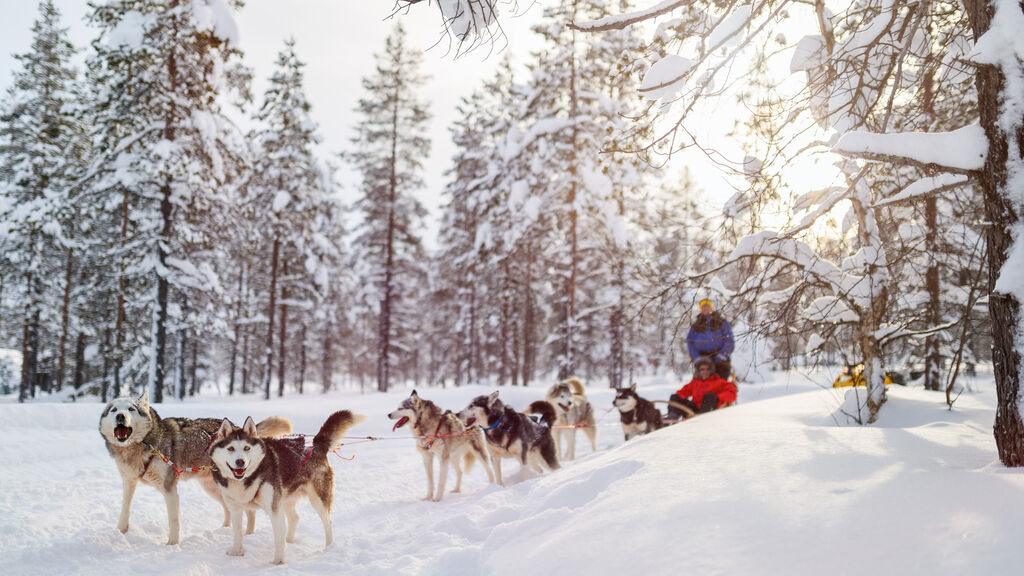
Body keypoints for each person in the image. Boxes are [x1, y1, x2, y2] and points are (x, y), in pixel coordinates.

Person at [666, 356, 738, 420]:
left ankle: (702, 417)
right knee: (675, 397)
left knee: (709, 396)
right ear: (698, 371)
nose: (705, 371)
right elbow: (682, 392)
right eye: (702, 369)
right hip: (693, 409)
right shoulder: (695, 383)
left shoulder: (719, 382)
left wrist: (718, 397)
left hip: (709, 409)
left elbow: (732, 393)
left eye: (707, 369)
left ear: (711, 370)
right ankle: (672, 416)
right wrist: (678, 400)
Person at [686, 298, 734, 380]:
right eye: (703, 307)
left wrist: (722, 355)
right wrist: (697, 357)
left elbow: (729, 340)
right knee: (701, 385)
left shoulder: (721, 323)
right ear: (701, 309)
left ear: (711, 307)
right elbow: (690, 342)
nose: (705, 308)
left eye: (707, 306)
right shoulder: (696, 326)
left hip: (720, 359)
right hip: (702, 358)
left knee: (720, 384)